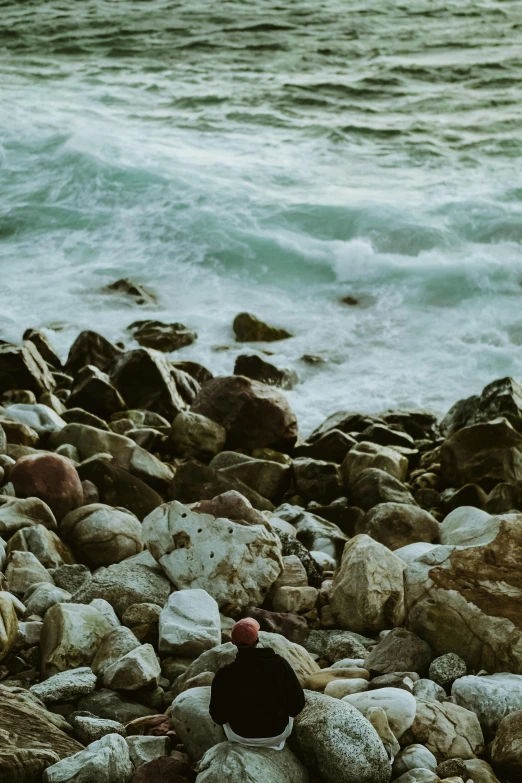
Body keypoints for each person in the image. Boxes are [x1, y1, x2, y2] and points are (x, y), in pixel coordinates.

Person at [209, 618, 305, 750]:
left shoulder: (224, 674)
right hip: (277, 734)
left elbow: (218, 717)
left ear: (233, 643)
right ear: (257, 639)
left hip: (240, 736)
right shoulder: (280, 664)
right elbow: (297, 705)